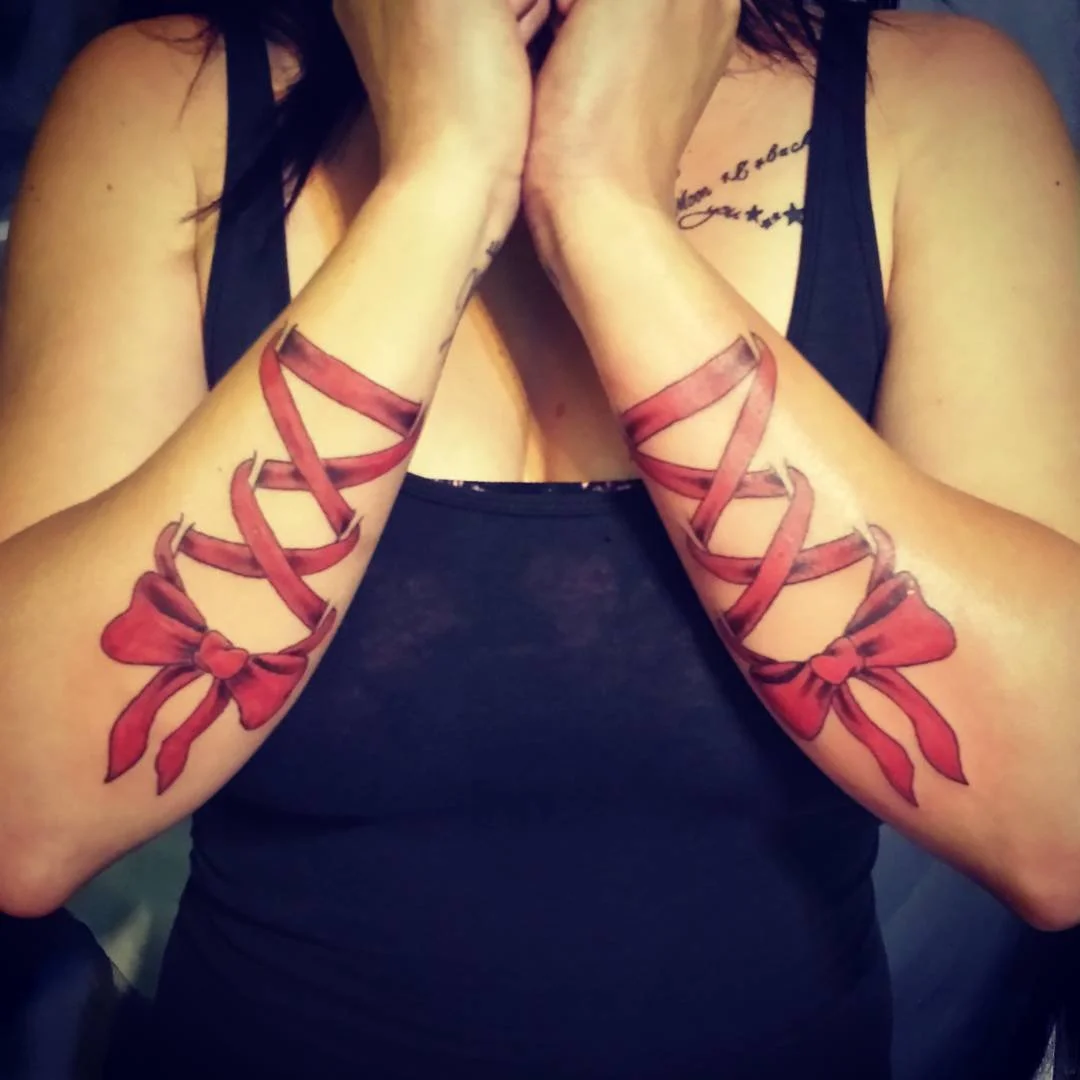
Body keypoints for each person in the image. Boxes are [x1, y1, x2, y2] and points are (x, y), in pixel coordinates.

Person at [0, 0, 1077, 1076]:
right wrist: (445, 179)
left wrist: (603, 206)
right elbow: (22, 817)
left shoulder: (938, 101)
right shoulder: (162, 97)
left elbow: (1055, 824)